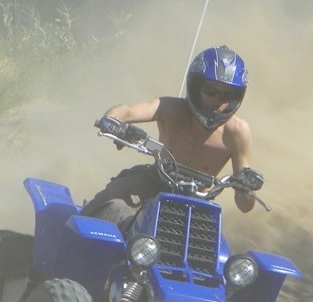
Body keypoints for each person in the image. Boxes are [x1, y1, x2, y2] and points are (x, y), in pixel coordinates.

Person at [83, 45, 258, 227]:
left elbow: (245, 206)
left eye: (226, 96)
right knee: (112, 208)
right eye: (210, 91)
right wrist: (113, 121)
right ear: (196, 86)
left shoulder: (238, 132)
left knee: (208, 247)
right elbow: (126, 111)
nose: (217, 102)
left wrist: (247, 188)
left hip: (197, 202)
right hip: (151, 183)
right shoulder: (170, 109)